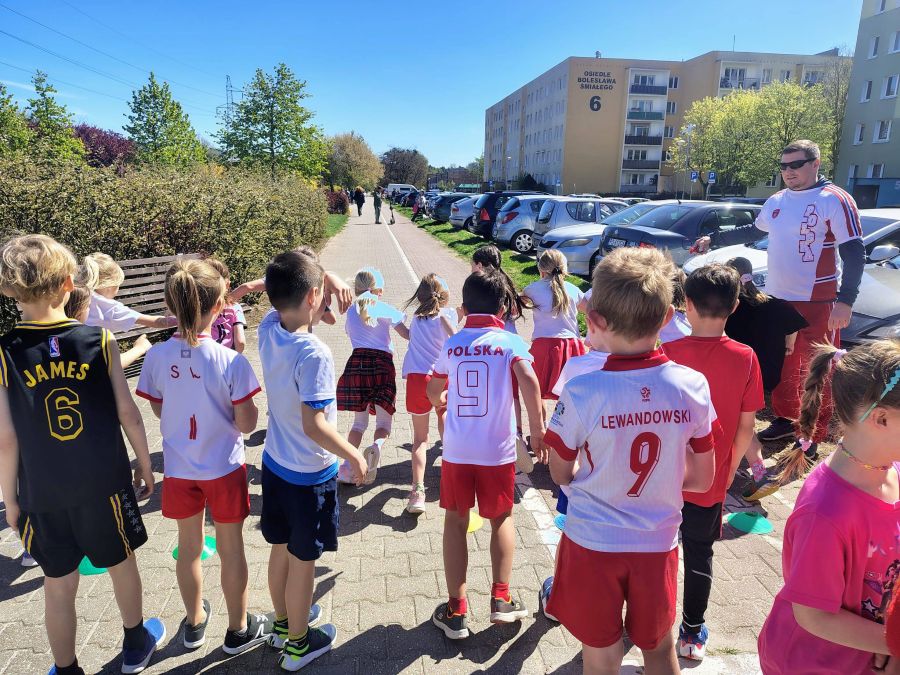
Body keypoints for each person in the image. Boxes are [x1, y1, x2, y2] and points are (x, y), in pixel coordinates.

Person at [543, 247, 716, 675]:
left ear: (595, 321)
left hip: (592, 539)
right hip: (656, 542)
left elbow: (560, 470)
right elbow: (703, 478)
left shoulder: (582, 390)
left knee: (600, 652)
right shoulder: (692, 385)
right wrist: (659, 481)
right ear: (667, 317)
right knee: (658, 646)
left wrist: (599, 477)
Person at [0, 234, 164, 675]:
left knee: (57, 585)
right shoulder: (98, 339)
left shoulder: (5, 351)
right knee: (121, 563)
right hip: (104, 484)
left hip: (42, 494)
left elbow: (6, 437)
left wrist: (11, 500)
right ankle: (136, 644)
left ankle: (67, 667)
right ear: (70, 283)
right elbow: (127, 412)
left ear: (10, 289)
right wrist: (145, 463)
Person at [694, 140, 865, 466]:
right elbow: (752, 230)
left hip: (817, 300)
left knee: (816, 368)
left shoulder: (834, 199)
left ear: (815, 164)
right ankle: (787, 419)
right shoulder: (777, 200)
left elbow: (855, 253)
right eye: (783, 166)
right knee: (783, 363)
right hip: (777, 299)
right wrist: (712, 239)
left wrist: (846, 301)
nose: (788, 171)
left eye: (796, 165)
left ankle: (812, 433)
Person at [136, 259, 272, 655]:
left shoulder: (156, 357)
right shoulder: (231, 361)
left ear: (169, 304)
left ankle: (194, 623)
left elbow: (158, 409)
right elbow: (247, 423)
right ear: (219, 307)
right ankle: (238, 629)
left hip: (179, 470)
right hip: (224, 468)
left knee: (188, 548)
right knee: (231, 549)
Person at [757, 340, 899, 675]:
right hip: (813, 664)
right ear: (880, 418)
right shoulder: (826, 512)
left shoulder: (892, 469)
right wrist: (891, 642)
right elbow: (814, 615)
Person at [257, 251, 368, 671]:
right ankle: (299, 646)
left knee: (280, 548)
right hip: (308, 475)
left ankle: (283, 624)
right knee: (304, 561)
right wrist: (353, 454)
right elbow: (314, 425)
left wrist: (323, 281)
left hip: (274, 464)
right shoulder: (315, 353)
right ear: (313, 296)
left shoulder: (268, 329)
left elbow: (278, 285)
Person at [427, 269, 546, 640]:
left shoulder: (453, 343)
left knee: (455, 522)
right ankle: (501, 599)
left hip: (458, 451)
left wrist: (440, 399)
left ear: (463, 309)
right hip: (496, 451)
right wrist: (537, 431)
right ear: (503, 309)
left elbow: (433, 387)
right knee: (501, 518)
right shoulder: (508, 341)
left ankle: (456, 609)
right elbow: (529, 380)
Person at [661, 264, 764, 661]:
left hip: (663, 477)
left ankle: (647, 621)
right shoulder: (746, 357)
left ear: (685, 303)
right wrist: (729, 469)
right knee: (700, 552)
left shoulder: (667, 353)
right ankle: (691, 633)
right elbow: (745, 427)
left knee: (657, 550)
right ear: (735, 306)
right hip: (710, 479)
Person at [724, 257, 809, 501]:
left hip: (737, 374)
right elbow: (795, 321)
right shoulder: (772, 303)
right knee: (744, 422)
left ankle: (749, 473)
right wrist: (789, 343)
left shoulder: (730, 307)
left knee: (740, 424)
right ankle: (755, 472)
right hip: (765, 376)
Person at [335, 267, 409, 484]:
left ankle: (347, 467)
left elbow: (350, 333)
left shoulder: (350, 311)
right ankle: (376, 447)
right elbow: (407, 335)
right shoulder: (384, 308)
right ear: (379, 290)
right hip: (382, 365)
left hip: (357, 364)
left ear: (356, 289)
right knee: (384, 423)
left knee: (358, 424)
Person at [401, 273, 455, 513]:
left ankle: (417, 493)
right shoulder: (445, 318)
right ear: (443, 297)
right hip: (439, 378)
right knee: (445, 420)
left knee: (420, 440)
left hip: (416, 379)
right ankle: (451, 477)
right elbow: (456, 341)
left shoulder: (416, 320)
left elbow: (411, 338)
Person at [522, 250, 585, 420]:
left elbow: (515, 307)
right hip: (571, 347)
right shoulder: (573, 289)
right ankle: (562, 427)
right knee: (569, 393)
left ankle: (540, 427)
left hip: (543, 346)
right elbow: (591, 311)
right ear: (565, 269)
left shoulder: (532, 290)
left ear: (540, 269)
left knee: (537, 391)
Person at [230, 245, 354, 326]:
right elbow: (331, 320)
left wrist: (224, 305)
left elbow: (247, 287)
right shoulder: (310, 289)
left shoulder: (278, 278)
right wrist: (325, 284)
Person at [65, 281, 153, 371]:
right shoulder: (91, 337)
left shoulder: (60, 333)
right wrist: (140, 348)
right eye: (88, 306)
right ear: (80, 310)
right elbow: (110, 366)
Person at [81, 253, 176, 331]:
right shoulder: (111, 309)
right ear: (109, 286)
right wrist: (180, 319)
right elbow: (156, 322)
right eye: (118, 285)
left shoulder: (78, 296)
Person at [206, 258, 247, 353]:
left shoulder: (197, 308)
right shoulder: (235, 307)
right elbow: (240, 342)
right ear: (227, 284)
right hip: (227, 355)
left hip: (203, 355)